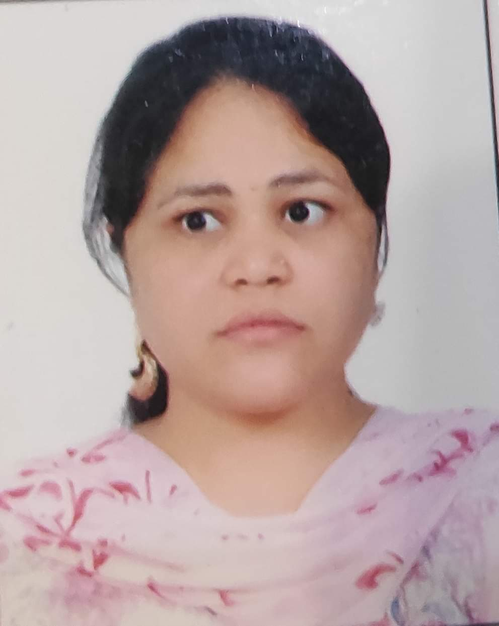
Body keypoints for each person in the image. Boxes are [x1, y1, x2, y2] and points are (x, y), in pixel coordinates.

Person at [0, 15, 498, 626]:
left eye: (302, 210)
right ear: (124, 253)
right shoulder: (27, 543)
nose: (257, 267)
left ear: (375, 240)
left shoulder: (480, 490)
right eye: (198, 221)